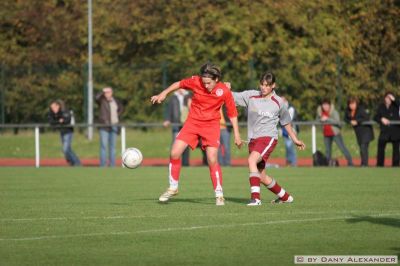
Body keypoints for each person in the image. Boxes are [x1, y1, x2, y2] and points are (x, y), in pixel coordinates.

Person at [151, 63, 242, 206]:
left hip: (211, 125)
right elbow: (179, 84)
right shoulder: (196, 81)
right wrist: (163, 93)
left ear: (217, 79)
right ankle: (173, 187)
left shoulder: (224, 90)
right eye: (204, 82)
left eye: (209, 83)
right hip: (192, 123)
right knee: (174, 153)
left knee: (212, 159)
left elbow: (232, 113)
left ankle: (219, 194)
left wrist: (236, 134)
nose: (206, 85)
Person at [232, 72, 305, 206]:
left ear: (273, 86)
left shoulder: (279, 102)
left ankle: (256, 198)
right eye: (262, 85)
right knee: (261, 176)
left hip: (268, 138)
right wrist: (223, 88)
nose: (263, 88)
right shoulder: (251, 96)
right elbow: (230, 96)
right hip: (253, 140)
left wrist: (295, 139)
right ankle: (286, 197)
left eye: (267, 85)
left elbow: (286, 122)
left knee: (251, 160)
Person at [316, 99, 353, 166]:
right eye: (324, 105)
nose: (325, 106)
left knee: (342, 148)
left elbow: (337, 122)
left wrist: (327, 119)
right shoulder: (320, 112)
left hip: (335, 134)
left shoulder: (334, 112)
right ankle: (327, 164)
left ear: (329, 105)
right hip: (326, 134)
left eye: (327, 105)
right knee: (327, 151)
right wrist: (320, 120)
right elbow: (317, 121)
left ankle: (350, 163)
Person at [96, 87, 124, 167]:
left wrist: (117, 117)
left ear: (112, 92)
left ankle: (112, 165)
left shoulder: (115, 101)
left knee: (113, 147)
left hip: (114, 125)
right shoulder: (101, 101)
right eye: (106, 92)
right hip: (104, 126)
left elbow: (121, 109)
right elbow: (97, 97)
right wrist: (102, 91)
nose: (107, 93)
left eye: (109, 92)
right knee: (104, 146)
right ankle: (103, 165)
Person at [48, 100, 81, 166]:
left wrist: (59, 121)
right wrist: (59, 121)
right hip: (62, 132)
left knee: (65, 149)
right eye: (52, 108)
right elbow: (51, 122)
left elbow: (66, 120)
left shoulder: (65, 111)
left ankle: (76, 163)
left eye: (54, 107)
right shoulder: (52, 113)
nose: (53, 109)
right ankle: (74, 162)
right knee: (67, 149)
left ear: (58, 106)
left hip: (68, 132)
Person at [163, 89, 191, 166]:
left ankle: (185, 163)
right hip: (176, 123)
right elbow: (169, 109)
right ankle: (173, 163)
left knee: (185, 145)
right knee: (175, 144)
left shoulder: (189, 95)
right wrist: (167, 119)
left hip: (187, 124)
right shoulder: (173, 97)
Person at [344, 97, 374, 166]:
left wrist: (357, 121)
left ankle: (364, 164)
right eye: (350, 104)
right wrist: (350, 121)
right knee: (361, 148)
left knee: (364, 148)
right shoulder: (348, 110)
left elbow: (367, 117)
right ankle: (363, 163)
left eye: (353, 104)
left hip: (366, 131)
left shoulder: (360, 109)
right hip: (358, 133)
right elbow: (345, 118)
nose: (352, 105)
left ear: (356, 103)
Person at [374, 92, 400, 167]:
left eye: (390, 98)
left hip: (395, 132)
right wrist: (381, 119)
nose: (388, 99)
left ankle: (395, 165)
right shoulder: (381, 107)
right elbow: (376, 117)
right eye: (387, 97)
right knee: (381, 148)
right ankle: (380, 164)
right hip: (384, 132)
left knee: (396, 150)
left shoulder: (396, 106)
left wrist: (394, 100)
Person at [281, 96, 298, 166]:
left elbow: (288, 119)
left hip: (292, 130)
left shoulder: (290, 108)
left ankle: (293, 163)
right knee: (287, 147)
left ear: (285, 101)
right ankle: (289, 162)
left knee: (290, 146)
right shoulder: (281, 108)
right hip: (284, 131)